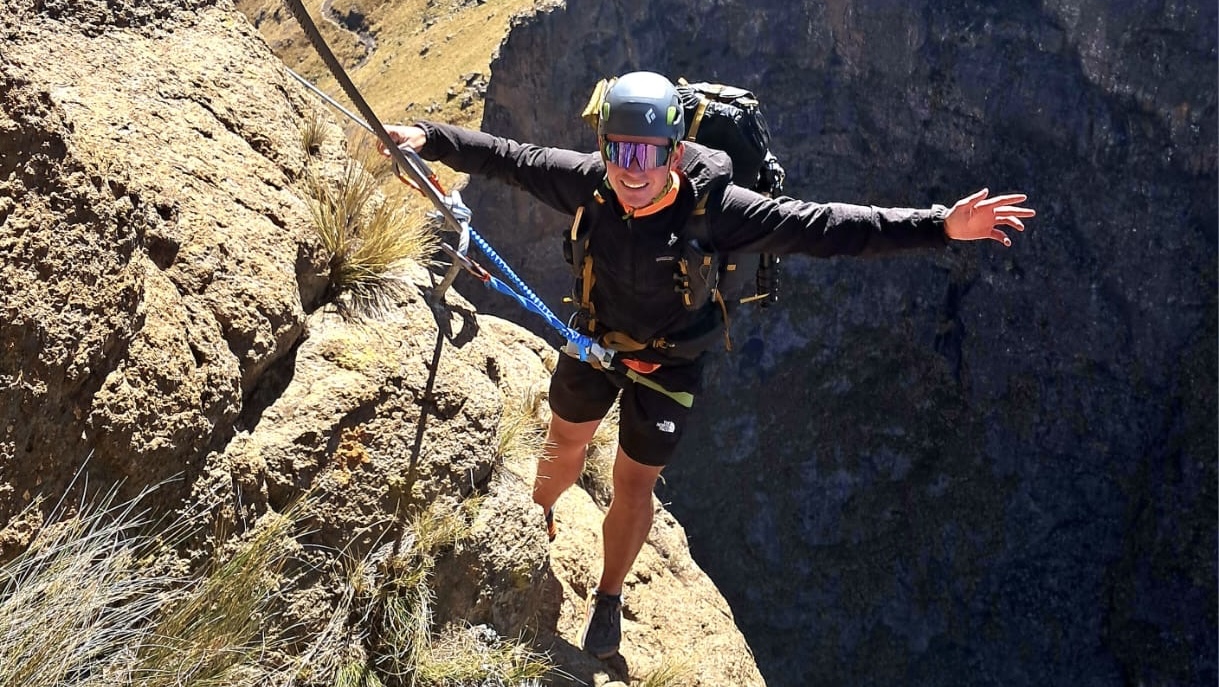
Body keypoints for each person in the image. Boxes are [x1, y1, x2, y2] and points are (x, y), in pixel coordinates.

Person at [382, 70, 1035, 660]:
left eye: (646, 154)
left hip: (669, 367)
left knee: (633, 482)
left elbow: (826, 227)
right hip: (597, 339)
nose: (631, 170)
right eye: (618, 151)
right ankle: (539, 514)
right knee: (564, 440)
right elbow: (509, 157)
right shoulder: (590, 183)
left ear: (672, 152)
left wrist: (939, 226)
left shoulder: (718, 210)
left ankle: (608, 596)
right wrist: (429, 137)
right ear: (604, 147)